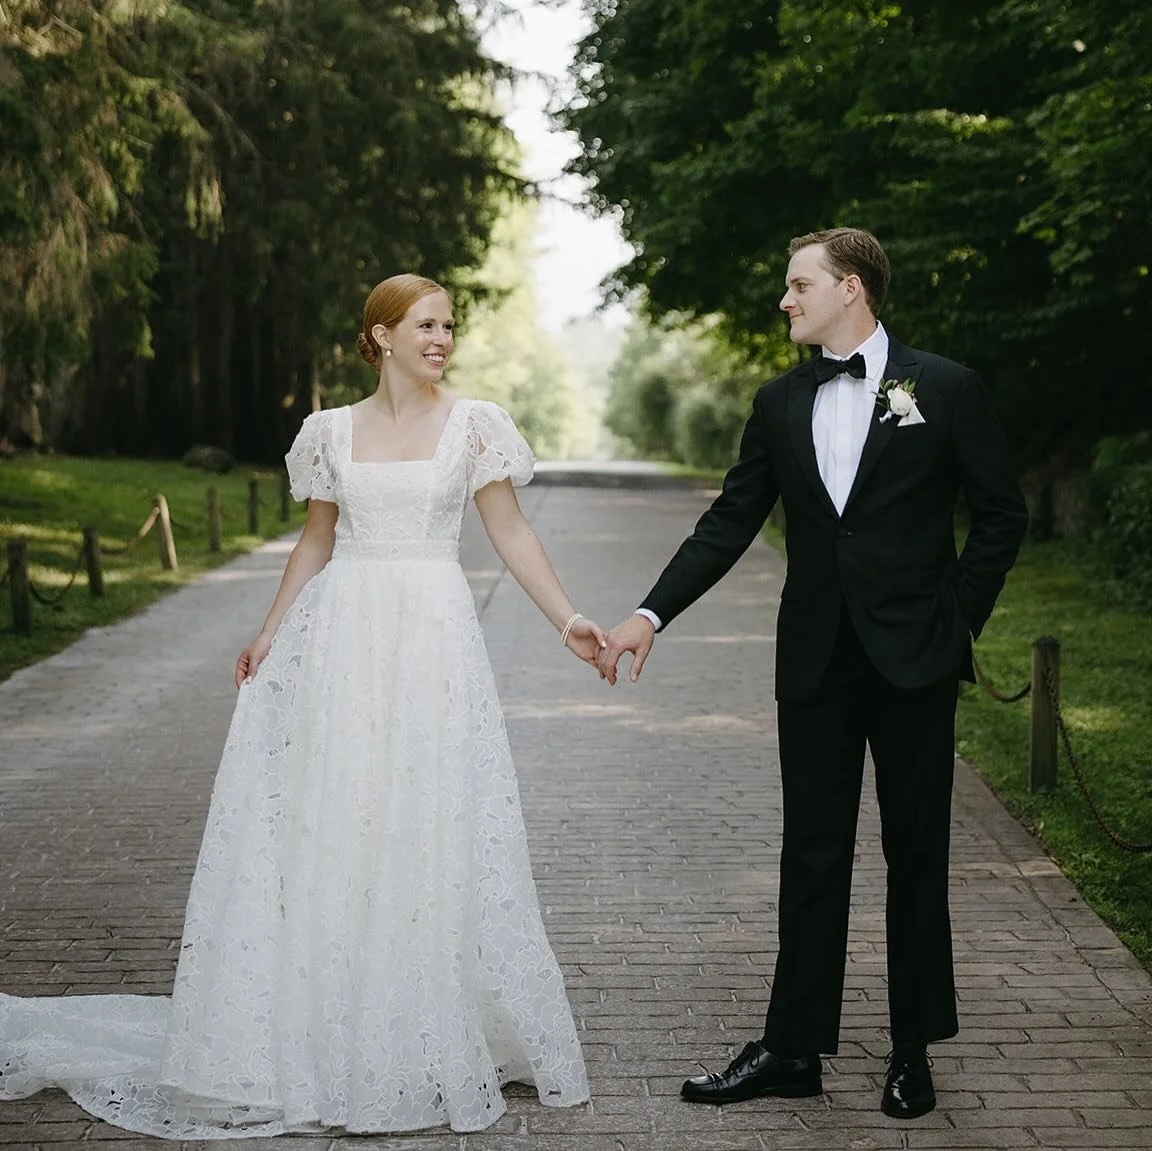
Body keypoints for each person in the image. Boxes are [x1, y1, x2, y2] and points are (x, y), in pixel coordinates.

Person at [0, 273, 597, 1138]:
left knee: (427, 823)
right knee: (340, 823)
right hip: (344, 643)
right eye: (426, 324)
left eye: (449, 326)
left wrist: (570, 618)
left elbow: (511, 532)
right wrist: (271, 628)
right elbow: (316, 538)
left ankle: (420, 1029)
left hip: (432, 643)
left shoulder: (475, 425)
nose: (442, 339)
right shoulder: (329, 431)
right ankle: (327, 1032)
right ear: (380, 335)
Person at [597, 229, 1028, 1119]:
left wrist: (956, 622)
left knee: (916, 855)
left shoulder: (942, 388)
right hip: (818, 661)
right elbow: (729, 520)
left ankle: (912, 1051)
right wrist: (649, 614)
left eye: (799, 285)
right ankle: (793, 1047)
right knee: (812, 852)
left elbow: (1001, 515)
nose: (786, 301)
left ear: (851, 289)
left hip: (915, 660)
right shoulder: (778, 402)